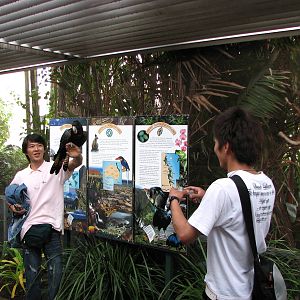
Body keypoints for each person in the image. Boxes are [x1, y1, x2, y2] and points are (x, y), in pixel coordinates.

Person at [168, 106, 275, 300]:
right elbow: (242, 209)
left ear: (226, 147)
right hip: (249, 290)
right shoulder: (266, 184)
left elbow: (184, 235)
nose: (215, 149)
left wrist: (174, 198)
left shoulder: (223, 188)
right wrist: (207, 196)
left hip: (223, 293)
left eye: (216, 143)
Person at [7, 133, 83, 300]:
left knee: (56, 274)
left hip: (53, 229)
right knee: (32, 276)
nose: (36, 149)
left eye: (39, 145)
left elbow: (73, 164)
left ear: (44, 148)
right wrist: (14, 207)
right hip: (29, 230)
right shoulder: (21, 175)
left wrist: (78, 157)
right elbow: (10, 198)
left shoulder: (54, 168)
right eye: (32, 146)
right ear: (26, 151)